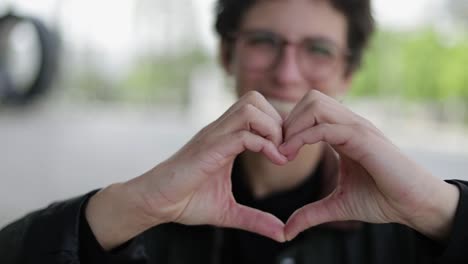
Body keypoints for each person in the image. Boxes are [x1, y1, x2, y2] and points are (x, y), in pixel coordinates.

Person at [1, 0, 467, 263]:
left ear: (347, 73)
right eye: (265, 41)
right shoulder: (159, 213)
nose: (287, 73)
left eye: (318, 50)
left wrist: (437, 207)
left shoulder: (410, 226)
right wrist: (134, 205)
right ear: (227, 56)